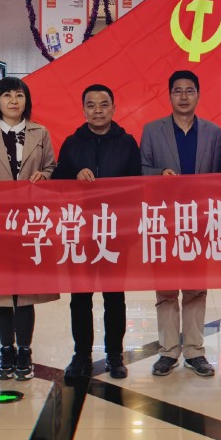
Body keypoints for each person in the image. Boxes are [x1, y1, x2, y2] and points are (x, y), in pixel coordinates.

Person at [0, 77, 58, 381]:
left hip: (30, 221)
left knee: (26, 291)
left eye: (19, 95)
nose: (13, 101)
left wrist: (45, 176)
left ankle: (25, 351)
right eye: (7, 95)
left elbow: (51, 167)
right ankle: (7, 350)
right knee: (0, 290)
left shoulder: (40, 132)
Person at [54, 84, 141, 381]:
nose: (98, 110)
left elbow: (138, 187)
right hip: (80, 232)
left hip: (115, 233)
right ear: (83, 110)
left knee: (114, 297)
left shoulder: (127, 143)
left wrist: (130, 230)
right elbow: (57, 183)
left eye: (104, 104)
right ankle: (81, 355)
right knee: (80, 297)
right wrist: (74, 176)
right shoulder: (72, 143)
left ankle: (115, 355)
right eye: (91, 105)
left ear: (114, 108)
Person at [140, 70, 221, 378]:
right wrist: (159, 174)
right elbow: (141, 169)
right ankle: (168, 351)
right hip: (164, 220)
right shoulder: (152, 130)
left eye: (189, 90)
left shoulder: (214, 132)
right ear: (169, 95)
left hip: (199, 221)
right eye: (178, 91)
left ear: (198, 95)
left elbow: (220, 176)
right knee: (165, 289)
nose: (184, 96)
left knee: (196, 289)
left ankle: (195, 351)